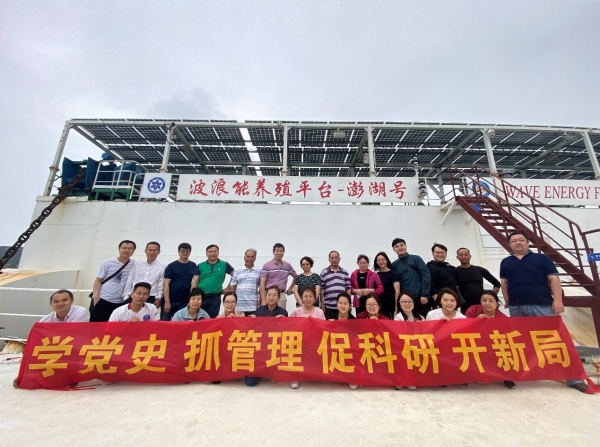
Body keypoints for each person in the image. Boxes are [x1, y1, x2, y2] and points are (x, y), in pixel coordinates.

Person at [500, 230, 588, 393]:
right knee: (521, 341)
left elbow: (554, 279)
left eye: (521, 240)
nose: (518, 243)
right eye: (514, 241)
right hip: (517, 307)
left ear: (527, 242)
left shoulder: (542, 259)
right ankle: (524, 374)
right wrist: (507, 300)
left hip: (542, 305)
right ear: (510, 244)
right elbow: (504, 283)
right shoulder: (506, 262)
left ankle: (574, 378)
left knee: (557, 340)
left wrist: (558, 300)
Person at [248, 285, 288, 387]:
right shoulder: (259, 311)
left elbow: (286, 333)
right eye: (269, 295)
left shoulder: (283, 312)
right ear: (265, 296)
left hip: (274, 347)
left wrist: (284, 321)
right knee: (250, 382)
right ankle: (260, 370)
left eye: (274, 295)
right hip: (260, 347)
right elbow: (253, 329)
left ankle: (272, 371)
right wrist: (251, 319)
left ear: (278, 297)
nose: (271, 297)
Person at [90, 239, 137, 322]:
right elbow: (98, 280)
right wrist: (96, 298)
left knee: (115, 326)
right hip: (103, 299)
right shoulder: (107, 263)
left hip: (120, 302)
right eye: (124, 248)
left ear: (133, 251)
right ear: (119, 249)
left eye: (130, 248)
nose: (126, 250)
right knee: (97, 325)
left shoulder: (135, 264)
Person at [289, 286, 325, 389]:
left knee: (316, 380)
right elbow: (289, 326)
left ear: (314, 298)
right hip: (299, 342)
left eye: (310, 296)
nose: (308, 299)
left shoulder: (319, 312)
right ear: (301, 298)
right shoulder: (296, 311)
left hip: (315, 342)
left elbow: (324, 328)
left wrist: (314, 322)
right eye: (305, 296)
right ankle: (294, 377)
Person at [391, 238, 431, 318]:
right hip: (406, 301)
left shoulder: (416, 259)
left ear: (406, 246)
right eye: (397, 246)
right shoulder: (394, 265)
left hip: (420, 298)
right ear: (394, 249)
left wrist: (424, 294)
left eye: (402, 245)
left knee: (423, 321)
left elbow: (426, 276)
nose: (400, 248)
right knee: (408, 322)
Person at [191, 244, 235, 318]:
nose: (212, 253)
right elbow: (194, 282)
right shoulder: (200, 265)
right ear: (206, 253)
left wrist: (228, 288)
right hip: (200, 296)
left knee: (212, 319)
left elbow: (235, 275)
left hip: (215, 297)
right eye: (210, 252)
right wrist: (192, 297)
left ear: (218, 253)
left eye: (214, 251)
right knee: (198, 317)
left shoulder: (224, 264)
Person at [454, 247, 500, 314]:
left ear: (470, 256)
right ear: (457, 257)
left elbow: (497, 284)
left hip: (481, 304)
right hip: (466, 305)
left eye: (466, 254)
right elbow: (451, 288)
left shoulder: (479, 270)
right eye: (461, 255)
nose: (464, 257)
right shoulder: (455, 272)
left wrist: (490, 297)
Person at [327, 292, 358, 390]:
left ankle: (351, 378)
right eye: (340, 303)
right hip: (334, 347)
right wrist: (328, 325)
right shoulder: (331, 318)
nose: (343, 306)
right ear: (336, 304)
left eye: (345, 303)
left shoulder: (355, 321)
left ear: (349, 306)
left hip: (349, 349)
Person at [122, 242, 165, 308]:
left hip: (150, 297)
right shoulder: (137, 264)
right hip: (134, 295)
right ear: (145, 251)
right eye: (150, 250)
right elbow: (130, 279)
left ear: (159, 252)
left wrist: (159, 298)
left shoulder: (162, 266)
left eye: (155, 250)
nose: (152, 252)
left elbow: (161, 283)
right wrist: (126, 296)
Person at [162, 243, 197, 321]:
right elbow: (166, 284)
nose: (185, 253)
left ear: (190, 252)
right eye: (183, 251)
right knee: (165, 323)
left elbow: (194, 282)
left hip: (184, 301)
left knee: (181, 323)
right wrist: (167, 301)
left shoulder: (193, 265)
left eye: (187, 251)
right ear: (178, 252)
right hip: (170, 300)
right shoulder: (171, 266)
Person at [259, 243, 296, 310]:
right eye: (277, 251)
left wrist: (291, 288)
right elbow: (262, 283)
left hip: (281, 296)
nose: (279, 253)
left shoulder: (287, 266)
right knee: (267, 315)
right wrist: (263, 300)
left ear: (283, 253)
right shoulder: (267, 265)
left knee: (281, 315)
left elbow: (296, 277)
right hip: (268, 295)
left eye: (281, 251)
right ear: (273, 252)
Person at [320, 251, 352, 320]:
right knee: (329, 325)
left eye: (336, 258)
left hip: (342, 307)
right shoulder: (324, 272)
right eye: (332, 258)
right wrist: (322, 304)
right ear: (329, 260)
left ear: (339, 259)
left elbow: (348, 288)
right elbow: (322, 290)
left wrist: (349, 303)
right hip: (328, 307)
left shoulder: (345, 272)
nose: (334, 260)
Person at [230, 249, 261, 316]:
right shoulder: (237, 270)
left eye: (252, 257)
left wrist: (260, 300)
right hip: (239, 306)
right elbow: (232, 286)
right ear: (244, 257)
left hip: (253, 305)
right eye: (248, 256)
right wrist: (233, 301)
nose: (249, 259)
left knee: (252, 323)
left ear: (255, 258)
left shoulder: (259, 271)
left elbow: (261, 287)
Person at [373, 252, 400, 319]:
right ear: (376, 262)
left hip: (392, 303)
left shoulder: (393, 274)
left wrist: (396, 308)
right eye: (379, 260)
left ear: (387, 261)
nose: (381, 261)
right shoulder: (376, 275)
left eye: (383, 259)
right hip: (381, 304)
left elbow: (397, 291)